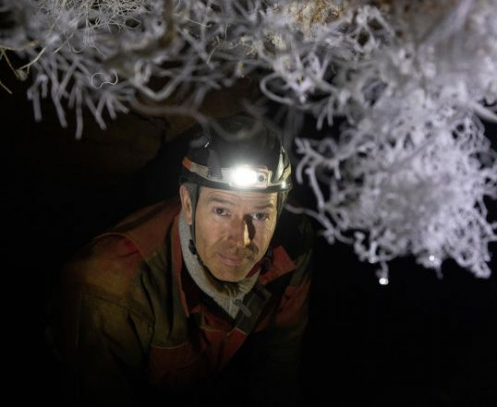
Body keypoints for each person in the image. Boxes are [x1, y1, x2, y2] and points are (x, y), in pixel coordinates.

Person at [50, 113, 314, 406]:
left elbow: (278, 369)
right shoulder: (111, 287)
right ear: (188, 204)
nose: (241, 239)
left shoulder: (293, 242)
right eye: (221, 211)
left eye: (260, 215)